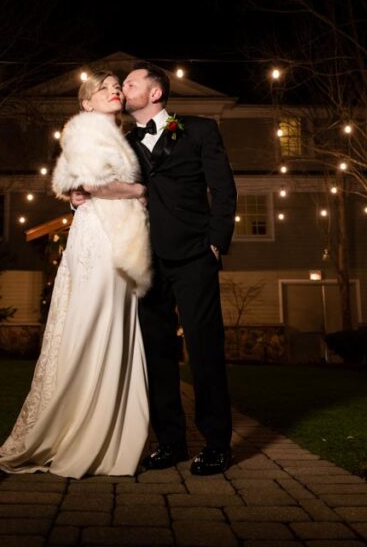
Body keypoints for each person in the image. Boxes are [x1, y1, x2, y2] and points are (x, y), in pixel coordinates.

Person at [0, 71, 151, 478]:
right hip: (99, 239)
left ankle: (114, 435)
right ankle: (80, 433)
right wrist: (142, 191)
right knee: (93, 323)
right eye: (104, 87)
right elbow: (93, 186)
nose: (114, 90)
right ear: (86, 103)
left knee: (118, 326)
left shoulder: (122, 136)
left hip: (122, 237)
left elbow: (80, 187)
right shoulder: (84, 132)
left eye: (118, 86)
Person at [116, 60, 237, 476]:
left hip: (194, 256)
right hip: (145, 260)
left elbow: (222, 188)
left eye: (130, 83)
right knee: (156, 354)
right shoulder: (124, 142)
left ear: (155, 92)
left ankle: (217, 445)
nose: (122, 88)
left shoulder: (199, 129)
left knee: (205, 350)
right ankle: (170, 442)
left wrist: (216, 243)